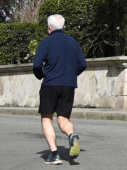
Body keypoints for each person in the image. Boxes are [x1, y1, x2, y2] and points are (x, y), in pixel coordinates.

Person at [33, 14, 87, 165]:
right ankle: (71, 135)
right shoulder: (73, 42)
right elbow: (82, 64)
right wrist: (69, 75)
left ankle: (54, 154)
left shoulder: (46, 41)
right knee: (63, 119)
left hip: (50, 85)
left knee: (46, 118)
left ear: (50, 27)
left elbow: (37, 65)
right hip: (68, 85)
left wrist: (41, 75)